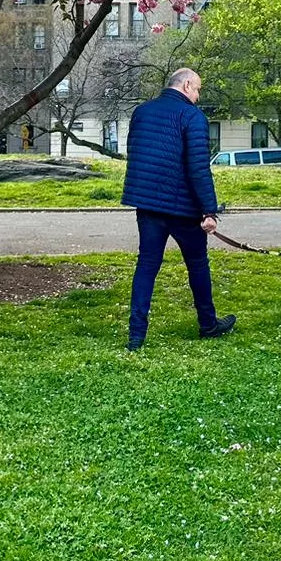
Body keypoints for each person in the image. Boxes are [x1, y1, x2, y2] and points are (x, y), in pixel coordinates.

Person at [120, 67, 236, 351]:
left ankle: (136, 335)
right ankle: (208, 324)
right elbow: (198, 168)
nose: (198, 95)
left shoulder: (142, 112)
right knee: (197, 264)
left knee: (147, 265)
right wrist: (209, 211)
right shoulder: (192, 116)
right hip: (184, 208)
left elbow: (135, 152)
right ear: (186, 85)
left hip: (147, 205)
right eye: (197, 89)